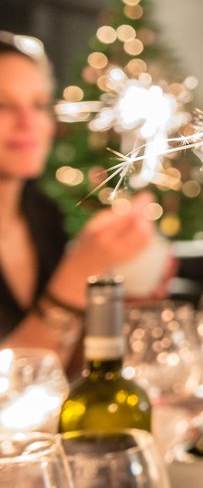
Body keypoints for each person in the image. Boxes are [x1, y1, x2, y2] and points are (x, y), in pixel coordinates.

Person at [0, 32, 157, 367]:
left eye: (39, 105)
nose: (29, 123)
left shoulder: (42, 215)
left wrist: (113, 294)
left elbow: (65, 365)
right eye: (3, 105)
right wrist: (77, 276)